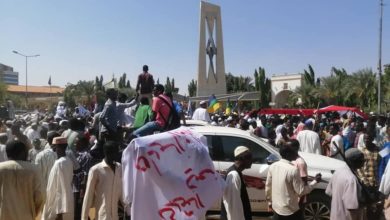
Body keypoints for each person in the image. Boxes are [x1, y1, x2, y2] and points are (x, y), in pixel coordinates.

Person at [265, 141, 321, 220]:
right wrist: (315, 181)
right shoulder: (293, 170)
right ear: (288, 154)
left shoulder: (273, 166)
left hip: (276, 208)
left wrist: (270, 202)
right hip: (290, 210)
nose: (296, 154)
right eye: (294, 152)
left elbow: (268, 187)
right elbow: (301, 191)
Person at [0, 140, 45, 220]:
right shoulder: (33, 169)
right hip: (26, 216)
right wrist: (35, 215)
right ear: (23, 152)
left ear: (7, 153)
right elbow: (40, 196)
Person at [82, 141, 123, 220]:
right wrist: (84, 217)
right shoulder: (96, 170)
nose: (117, 155)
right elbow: (88, 195)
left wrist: (128, 211)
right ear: (107, 153)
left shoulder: (119, 167)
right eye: (115, 152)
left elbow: (121, 191)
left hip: (115, 216)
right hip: (102, 216)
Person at [326, 148, 365, 220]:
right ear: (354, 161)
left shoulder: (338, 171)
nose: (364, 162)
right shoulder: (351, 179)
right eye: (362, 160)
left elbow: (329, 192)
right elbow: (352, 207)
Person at [42, 137, 74, 220]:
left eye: (54, 146)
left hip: (58, 206)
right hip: (61, 203)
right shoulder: (66, 160)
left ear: (57, 147)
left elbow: (62, 189)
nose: (52, 147)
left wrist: (60, 212)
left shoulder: (61, 163)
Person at [221, 146, 253, 220]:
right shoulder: (234, 175)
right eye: (250, 158)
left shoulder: (237, 173)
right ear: (243, 159)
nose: (252, 160)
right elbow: (233, 206)